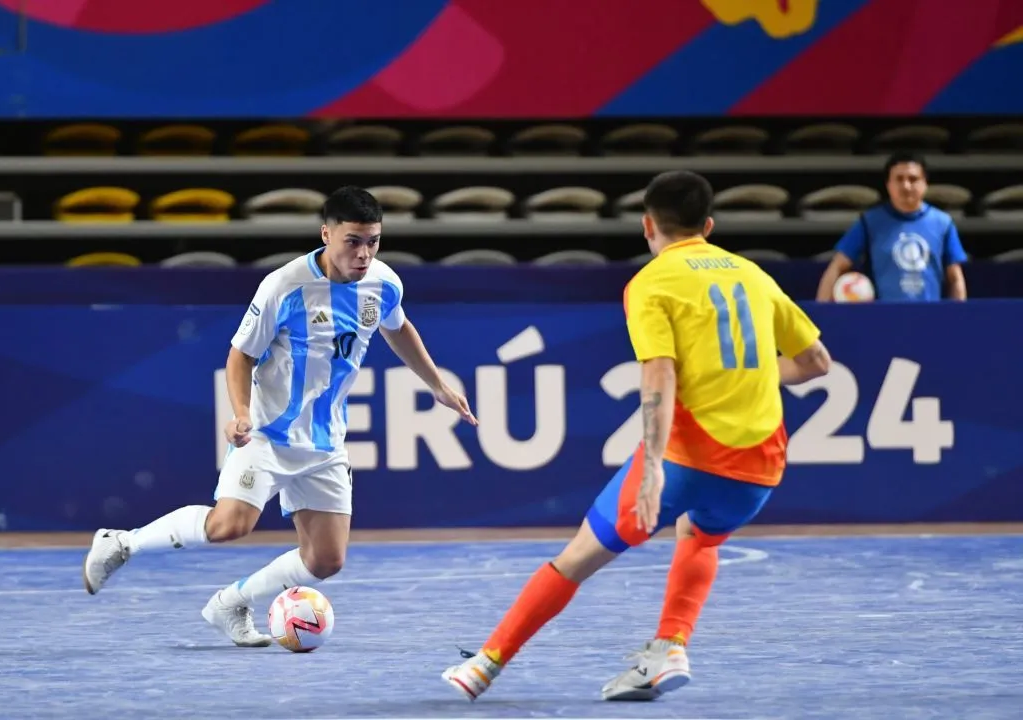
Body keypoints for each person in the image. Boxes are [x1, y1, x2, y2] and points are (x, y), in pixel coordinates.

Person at [442, 171, 832, 702]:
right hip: (758, 468)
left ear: (648, 225)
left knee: (576, 559)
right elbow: (815, 363)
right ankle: (670, 647)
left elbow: (658, 374)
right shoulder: (753, 275)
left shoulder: (651, 282)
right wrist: (758, 373)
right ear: (709, 226)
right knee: (701, 536)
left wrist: (651, 468)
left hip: (683, 459)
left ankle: (485, 664)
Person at [82, 186, 477, 646]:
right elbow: (239, 355)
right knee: (230, 525)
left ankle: (231, 603)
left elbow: (398, 326)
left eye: (373, 241)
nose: (364, 253)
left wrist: (438, 385)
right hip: (269, 433)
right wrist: (241, 414)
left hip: (326, 442)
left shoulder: (384, 284)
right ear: (326, 234)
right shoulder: (284, 287)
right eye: (353, 241)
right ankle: (121, 543)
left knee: (326, 560)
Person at [816, 151, 968, 302]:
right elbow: (837, 266)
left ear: (925, 184)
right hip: (884, 319)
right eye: (899, 179)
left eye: (913, 179)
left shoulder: (943, 223)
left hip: (930, 317)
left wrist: (960, 316)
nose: (906, 186)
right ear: (888, 184)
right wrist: (819, 317)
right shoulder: (870, 222)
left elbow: (955, 278)